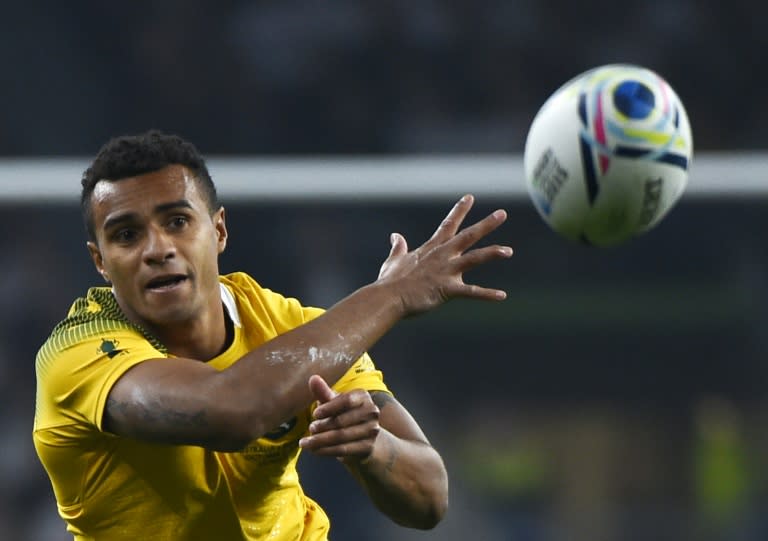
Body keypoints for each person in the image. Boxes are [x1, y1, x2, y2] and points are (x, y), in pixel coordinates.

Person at [33, 130, 513, 541]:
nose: (157, 248)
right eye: (126, 235)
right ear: (100, 262)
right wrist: (393, 294)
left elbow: (430, 499)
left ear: (218, 231)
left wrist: (370, 446)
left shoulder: (291, 327)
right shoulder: (77, 354)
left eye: (178, 222)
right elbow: (233, 411)